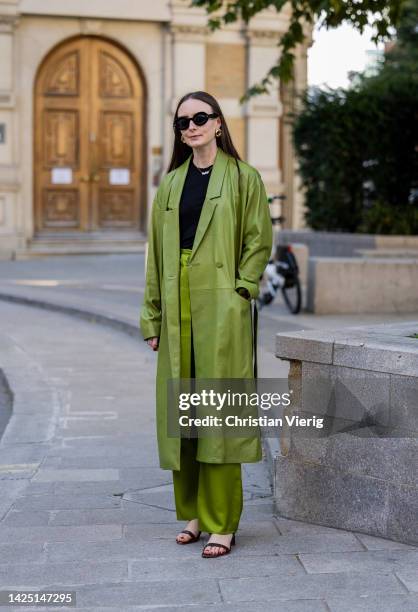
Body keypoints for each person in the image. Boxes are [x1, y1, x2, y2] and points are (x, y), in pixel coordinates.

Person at [140, 91, 272, 558]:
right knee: (185, 412)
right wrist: (152, 315)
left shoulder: (243, 178)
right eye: (182, 122)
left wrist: (243, 289)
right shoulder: (171, 184)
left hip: (221, 306)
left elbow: (258, 238)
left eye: (200, 118)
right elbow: (155, 255)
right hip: (176, 303)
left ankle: (223, 523)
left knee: (218, 411)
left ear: (218, 123)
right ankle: (194, 514)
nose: (191, 126)